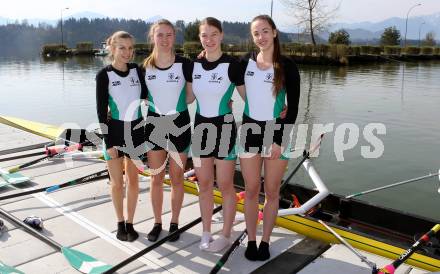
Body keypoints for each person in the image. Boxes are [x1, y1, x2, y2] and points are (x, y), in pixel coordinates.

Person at [239, 15, 300, 261]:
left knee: (272, 192)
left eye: (265, 31)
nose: (261, 37)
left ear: (274, 32)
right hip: (250, 133)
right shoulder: (244, 62)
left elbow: (293, 109)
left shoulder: (287, 66)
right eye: (256, 33)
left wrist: (279, 141)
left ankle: (265, 242)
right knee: (251, 190)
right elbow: (217, 66)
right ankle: (251, 240)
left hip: (276, 135)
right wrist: (201, 56)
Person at [186, 17, 245, 252]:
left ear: (221, 35)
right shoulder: (193, 65)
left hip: (224, 131)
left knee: (226, 185)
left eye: (213, 34)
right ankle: (206, 231)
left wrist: (279, 108)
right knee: (205, 185)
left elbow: (250, 99)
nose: (208, 40)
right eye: (204, 35)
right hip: (200, 131)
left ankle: (226, 234)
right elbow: (187, 98)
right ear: (199, 38)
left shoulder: (233, 65)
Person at [142, 19, 192, 242]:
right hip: (154, 125)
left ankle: (174, 223)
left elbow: (194, 94)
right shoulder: (143, 67)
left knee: (177, 178)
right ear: (153, 37)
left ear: (174, 37)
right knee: (155, 178)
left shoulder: (186, 64)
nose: (164, 39)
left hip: (179, 123)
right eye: (160, 35)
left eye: (169, 35)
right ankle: (157, 223)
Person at [96, 31, 147, 242]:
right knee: (117, 183)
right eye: (122, 48)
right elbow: (101, 111)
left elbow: (149, 91)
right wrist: (108, 142)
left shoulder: (137, 70)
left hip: (135, 132)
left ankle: (130, 223)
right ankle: (119, 223)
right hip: (114, 133)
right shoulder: (104, 75)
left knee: (133, 182)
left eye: (130, 48)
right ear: (112, 48)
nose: (127, 52)